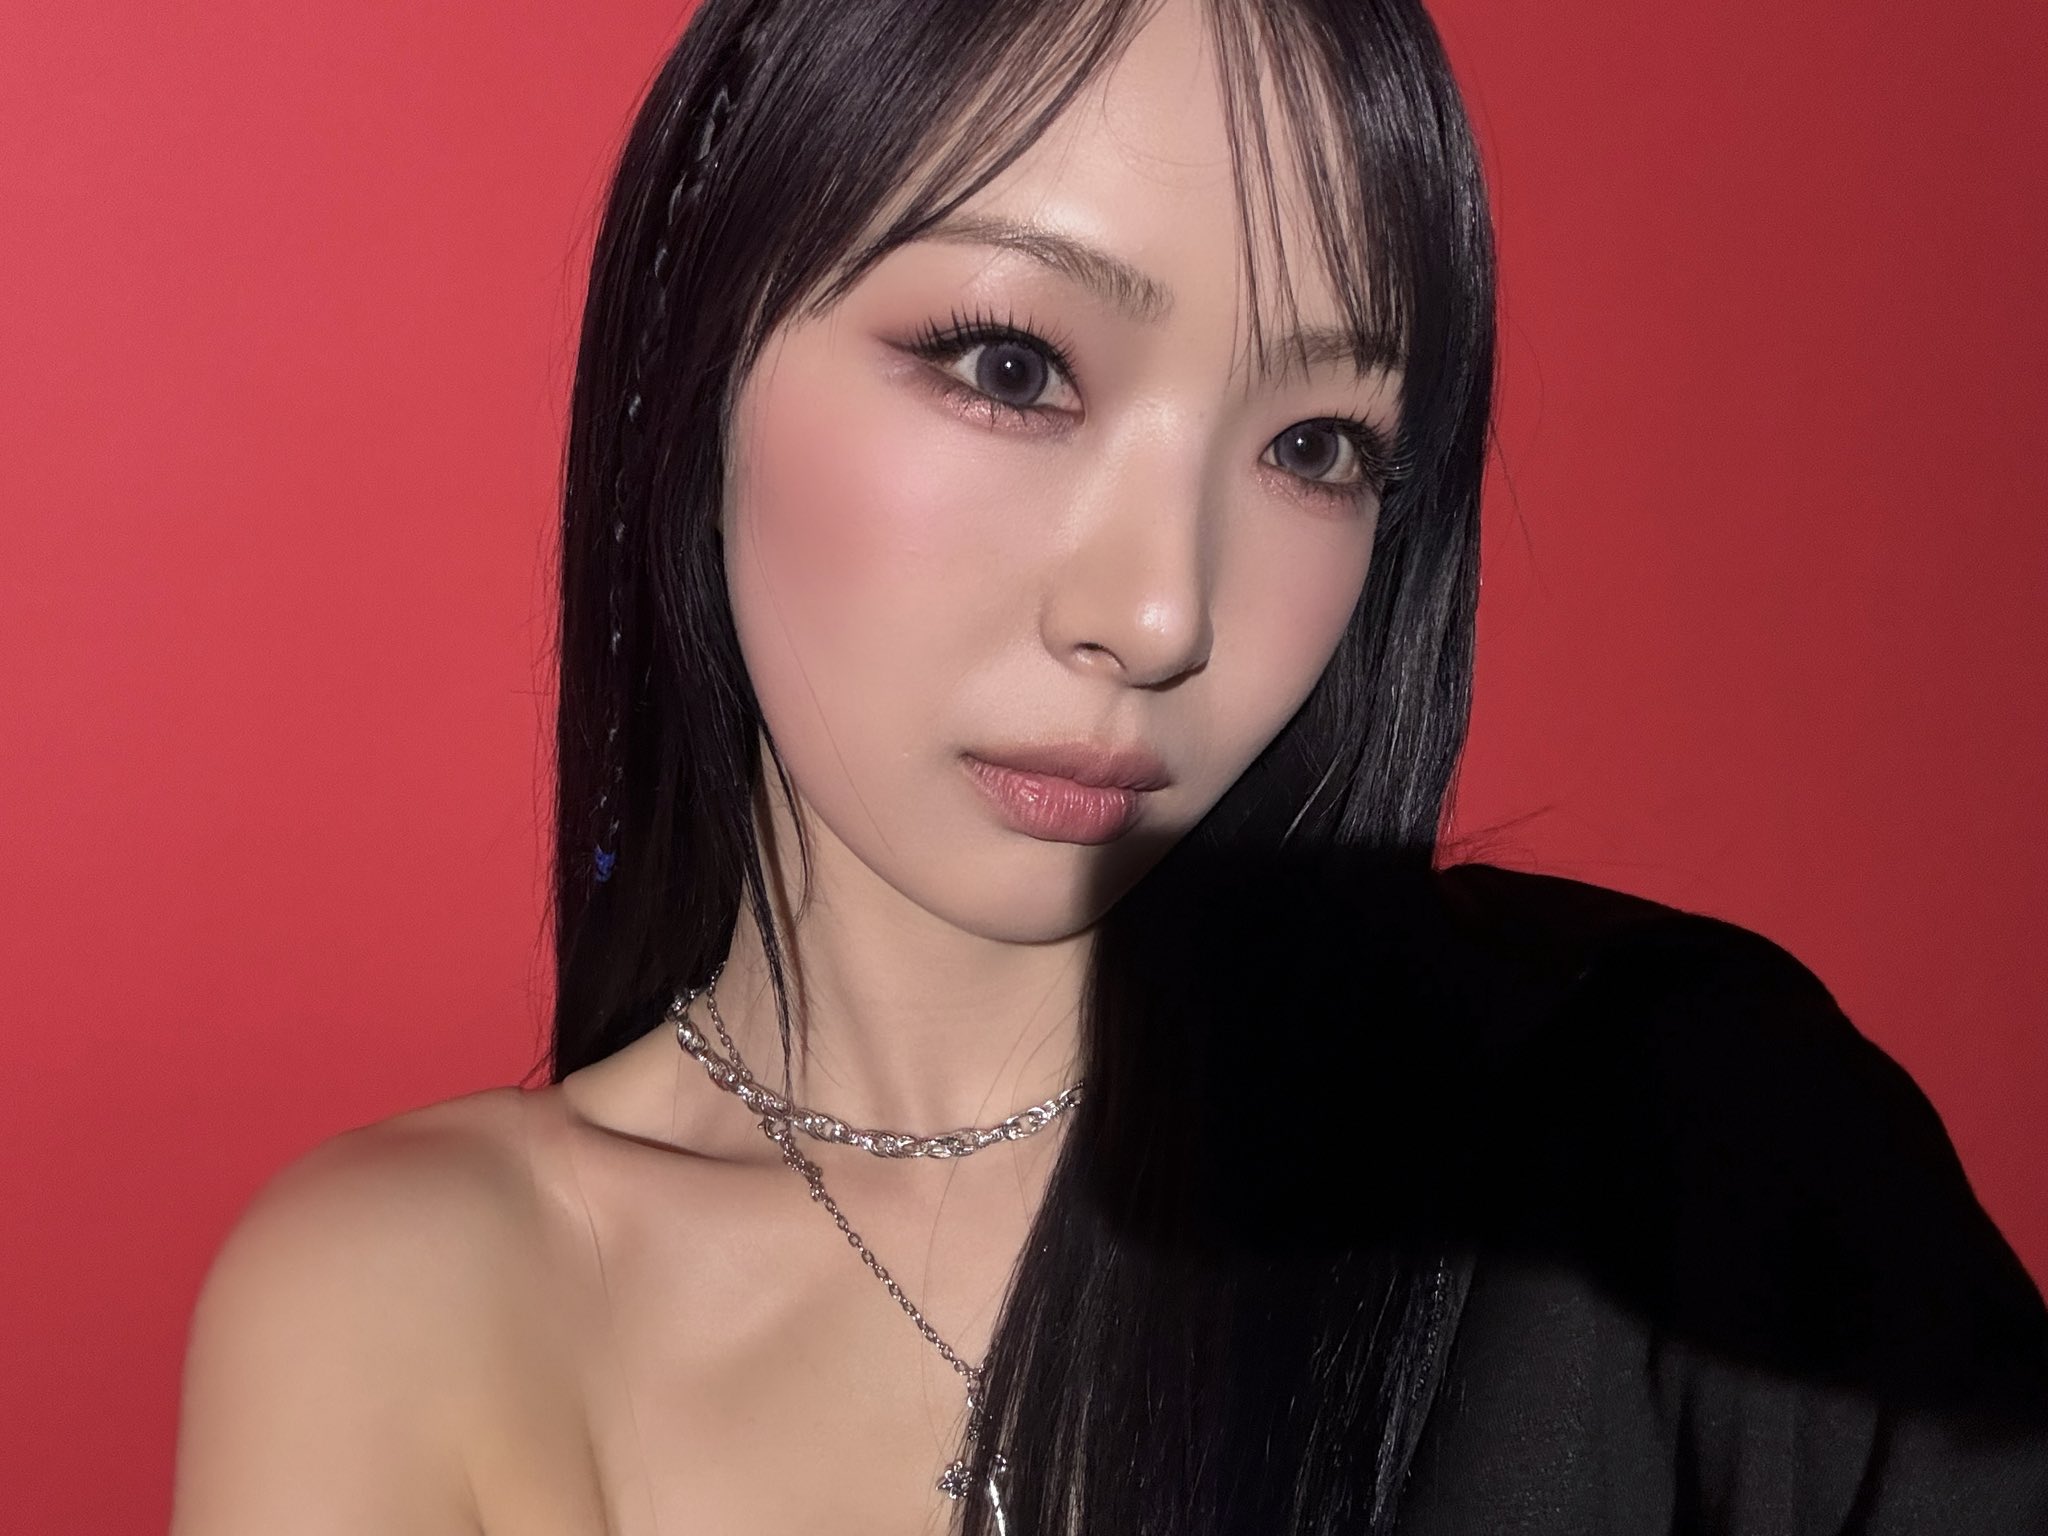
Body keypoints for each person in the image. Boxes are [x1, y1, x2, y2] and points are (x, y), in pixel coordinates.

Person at [169, 0, 2048, 1531]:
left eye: (1317, 446)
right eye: (1011, 367)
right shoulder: (411, 1301)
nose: (1159, 615)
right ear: (694, 344)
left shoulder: (1673, 1134)